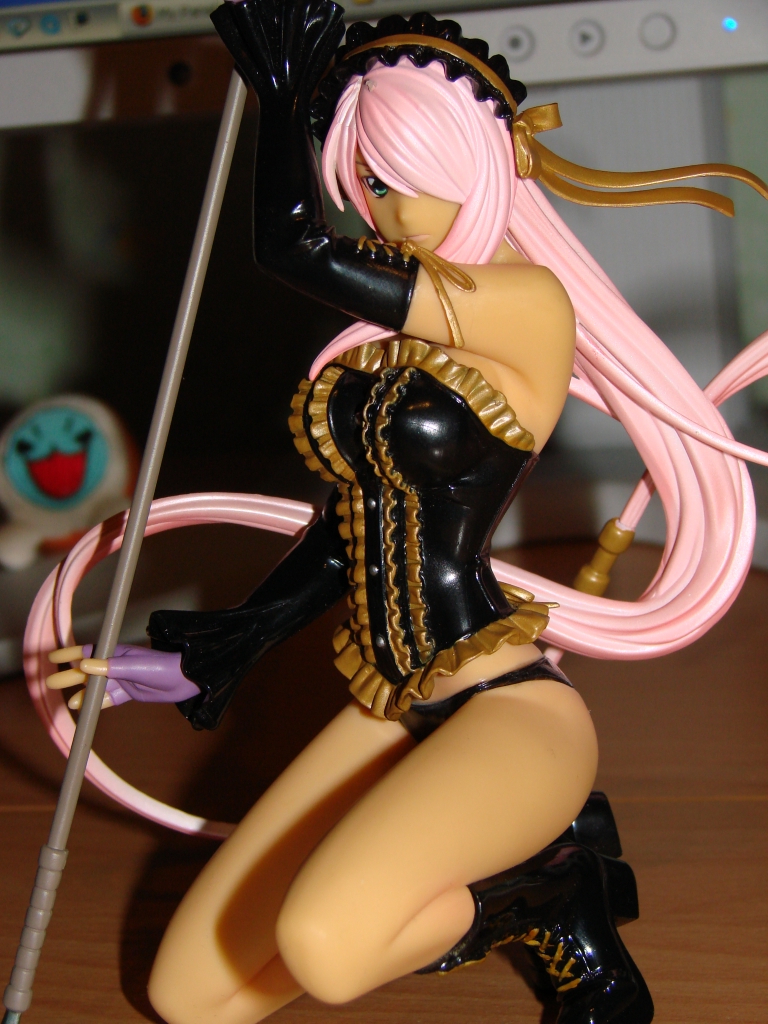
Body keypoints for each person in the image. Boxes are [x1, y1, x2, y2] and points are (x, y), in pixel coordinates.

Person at [44, 3, 768, 1023]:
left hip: (508, 711)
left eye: (397, 174)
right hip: (394, 703)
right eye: (365, 180)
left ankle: (551, 894)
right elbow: (351, 536)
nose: (381, 209)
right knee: (192, 994)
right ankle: (516, 885)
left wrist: (281, 102)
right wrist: (217, 650)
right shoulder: (403, 348)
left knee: (328, 951)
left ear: (474, 158)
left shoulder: (526, 303)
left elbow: (294, 250)